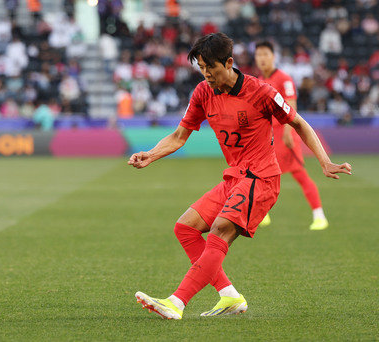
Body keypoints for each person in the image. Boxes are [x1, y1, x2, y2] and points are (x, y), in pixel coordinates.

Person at [128, 33, 351, 320]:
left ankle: (177, 302)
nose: (207, 74)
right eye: (201, 68)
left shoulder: (262, 92)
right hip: (234, 178)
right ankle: (229, 296)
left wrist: (324, 161)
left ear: (229, 62)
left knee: (221, 229)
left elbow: (298, 122)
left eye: (212, 68)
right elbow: (179, 135)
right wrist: (151, 154)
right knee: (185, 228)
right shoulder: (202, 93)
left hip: (262, 178)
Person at [255, 41, 329, 230]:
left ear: (273, 56)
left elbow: (291, 104)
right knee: (260, 174)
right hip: (268, 137)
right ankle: (262, 214)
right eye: (259, 55)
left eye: (265, 54)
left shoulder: (284, 78)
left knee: (299, 175)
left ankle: (319, 216)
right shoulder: (258, 80)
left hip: (284, 134)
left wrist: (288, 132)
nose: (262, 58)